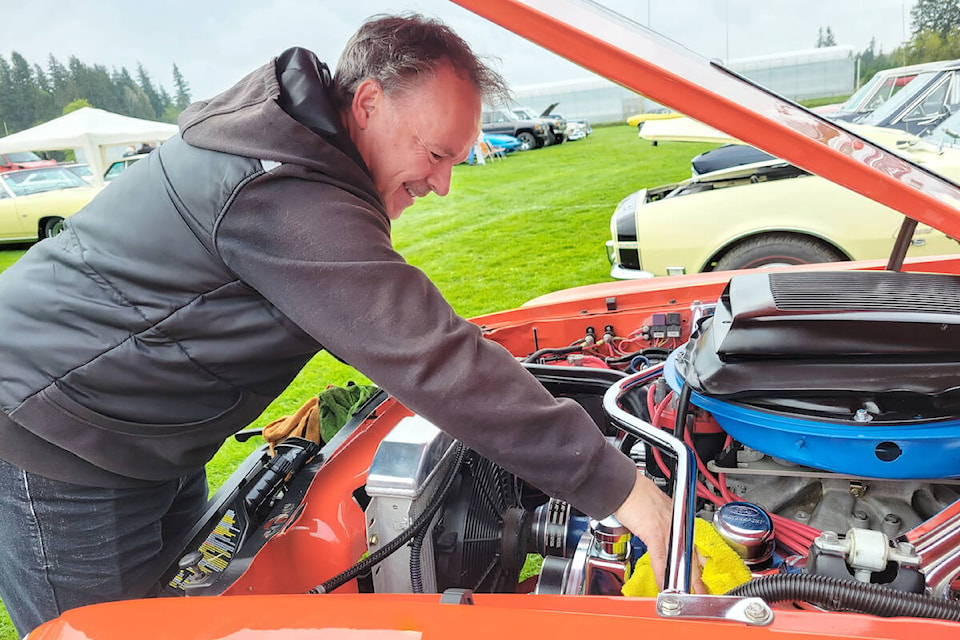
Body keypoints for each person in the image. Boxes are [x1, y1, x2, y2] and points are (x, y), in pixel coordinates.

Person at [0, 13, 683, 635]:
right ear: (368, 103)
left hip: (149, 435)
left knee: (175, 617)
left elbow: (406, 327)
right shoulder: (281, 188)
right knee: (106, 631)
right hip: (62, 441)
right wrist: (618, 487)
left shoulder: (299, 158)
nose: (443, 183)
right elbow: (428, 354)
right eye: (437, 153)